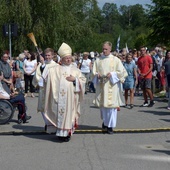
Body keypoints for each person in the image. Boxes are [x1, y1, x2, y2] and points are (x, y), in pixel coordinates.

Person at [43, 42, 86, 141]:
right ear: (61, 59)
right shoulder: (55, 70)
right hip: (59, 98)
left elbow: (83, 81)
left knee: (69, 115)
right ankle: (59, 133)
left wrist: (75, 80)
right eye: (66, 58)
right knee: (60, 114)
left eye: (69, 57)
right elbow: (47, 79)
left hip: (71, 98)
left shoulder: (76, 70)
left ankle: (67, 134)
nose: (68, 59)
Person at [92, 41, 128, 134]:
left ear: (110, 49)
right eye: (103, 49)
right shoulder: (98, 60)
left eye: (106, 49)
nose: (104, 51)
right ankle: (105, 122)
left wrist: (112, 74)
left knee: (112, 108)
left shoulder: (115, 60)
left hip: (111, 86)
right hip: (102, 86)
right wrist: (97, 75)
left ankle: (110, 126)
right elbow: (93, 72)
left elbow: (122, 72)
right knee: (103, 107)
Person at [33, 48, 58, 129]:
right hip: (43, 89)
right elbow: (37, 76)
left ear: (53, 55)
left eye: (49, 55)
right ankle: (47, 124)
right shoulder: (41, 65)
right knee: (43, 108)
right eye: (46, 55)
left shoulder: (56, 66)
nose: (47, 57)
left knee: (51, 108)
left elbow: (56, 78)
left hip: (51, 90)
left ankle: (53, 124)